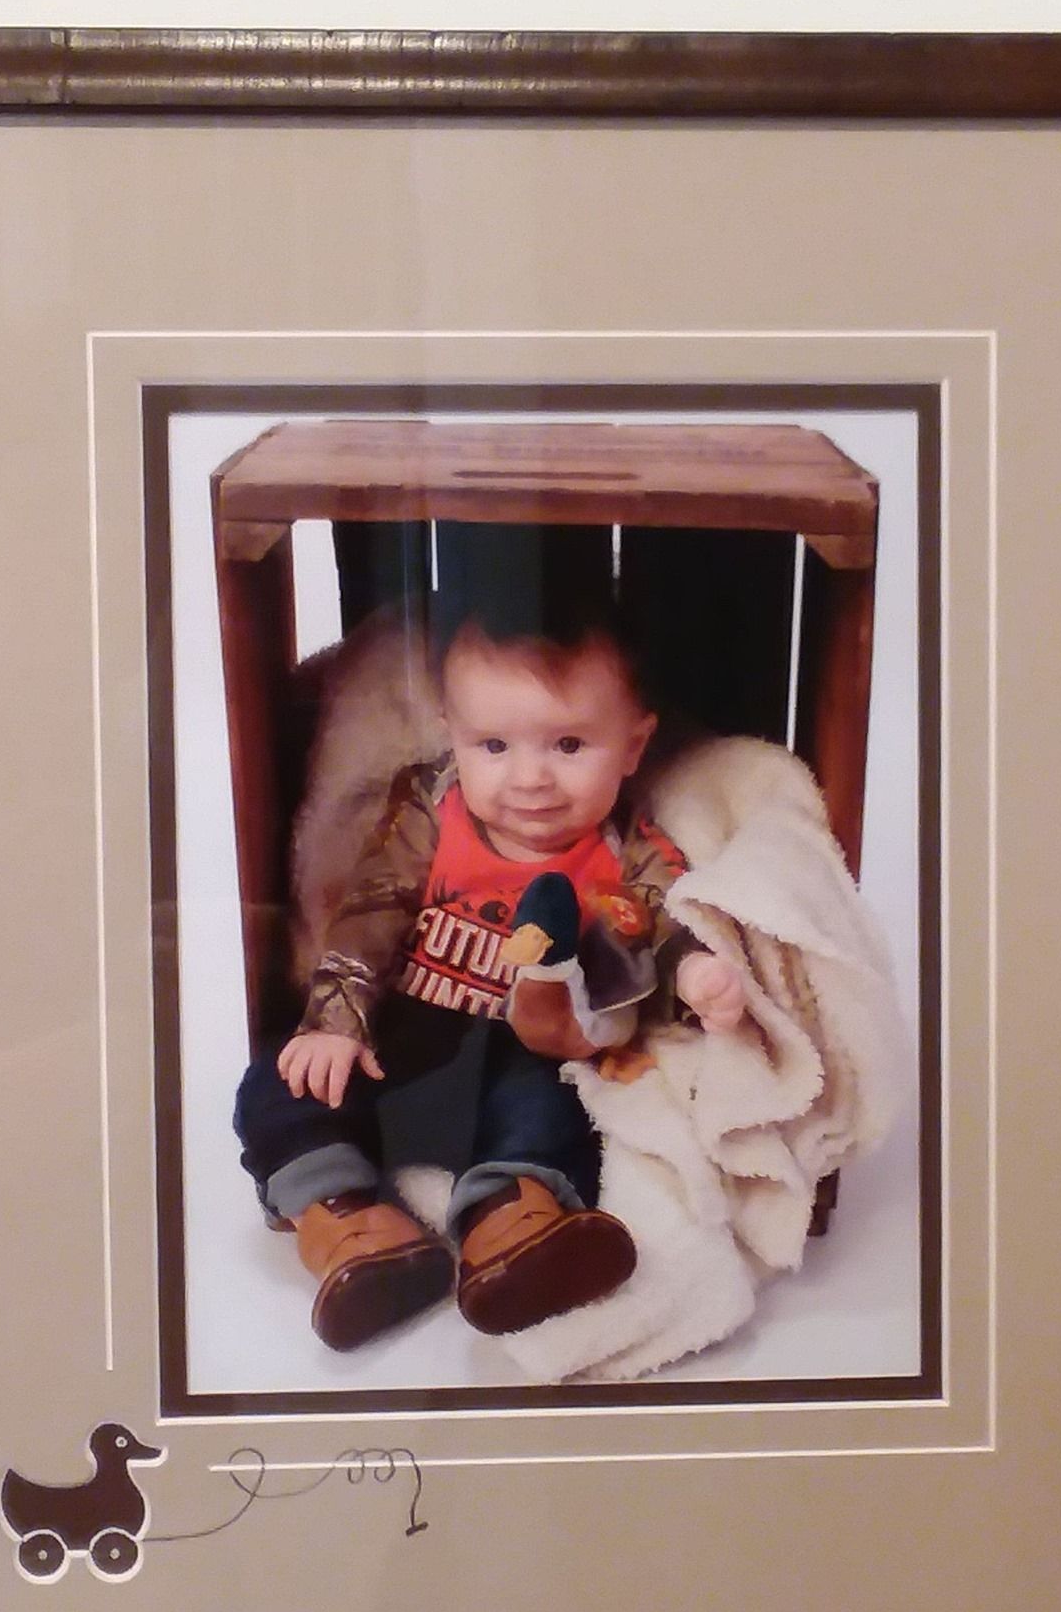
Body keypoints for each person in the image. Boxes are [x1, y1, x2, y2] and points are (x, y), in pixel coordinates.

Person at [233, 522, 747, 1352]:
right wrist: (336, 1019)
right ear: (453, 734)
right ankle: (350, 1225)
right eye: (494, 745)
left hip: (520, 1047)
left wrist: (695, 980)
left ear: (633, 745)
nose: (531, 778)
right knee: (281, 1080)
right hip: (402, 1036)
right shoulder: (431, 809)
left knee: (551, 1107)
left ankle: (509, 1224)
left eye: (570, 744)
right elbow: (371, 910)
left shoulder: (629, 848)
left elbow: (660, 922)